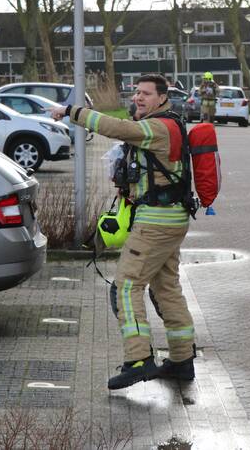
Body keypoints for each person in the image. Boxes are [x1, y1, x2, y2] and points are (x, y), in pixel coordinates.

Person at [51, 74, 197, 390]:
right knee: (166, 288)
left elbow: (115, 128)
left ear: (162, 98)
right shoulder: (170, 123)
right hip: (171, 218)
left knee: (126, 286)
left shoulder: (156, 127)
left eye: (146, 94)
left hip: (155, 223)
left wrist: (72, 112)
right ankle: (182, 359)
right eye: (136, 93)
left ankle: (138, 359)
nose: (138, 98)